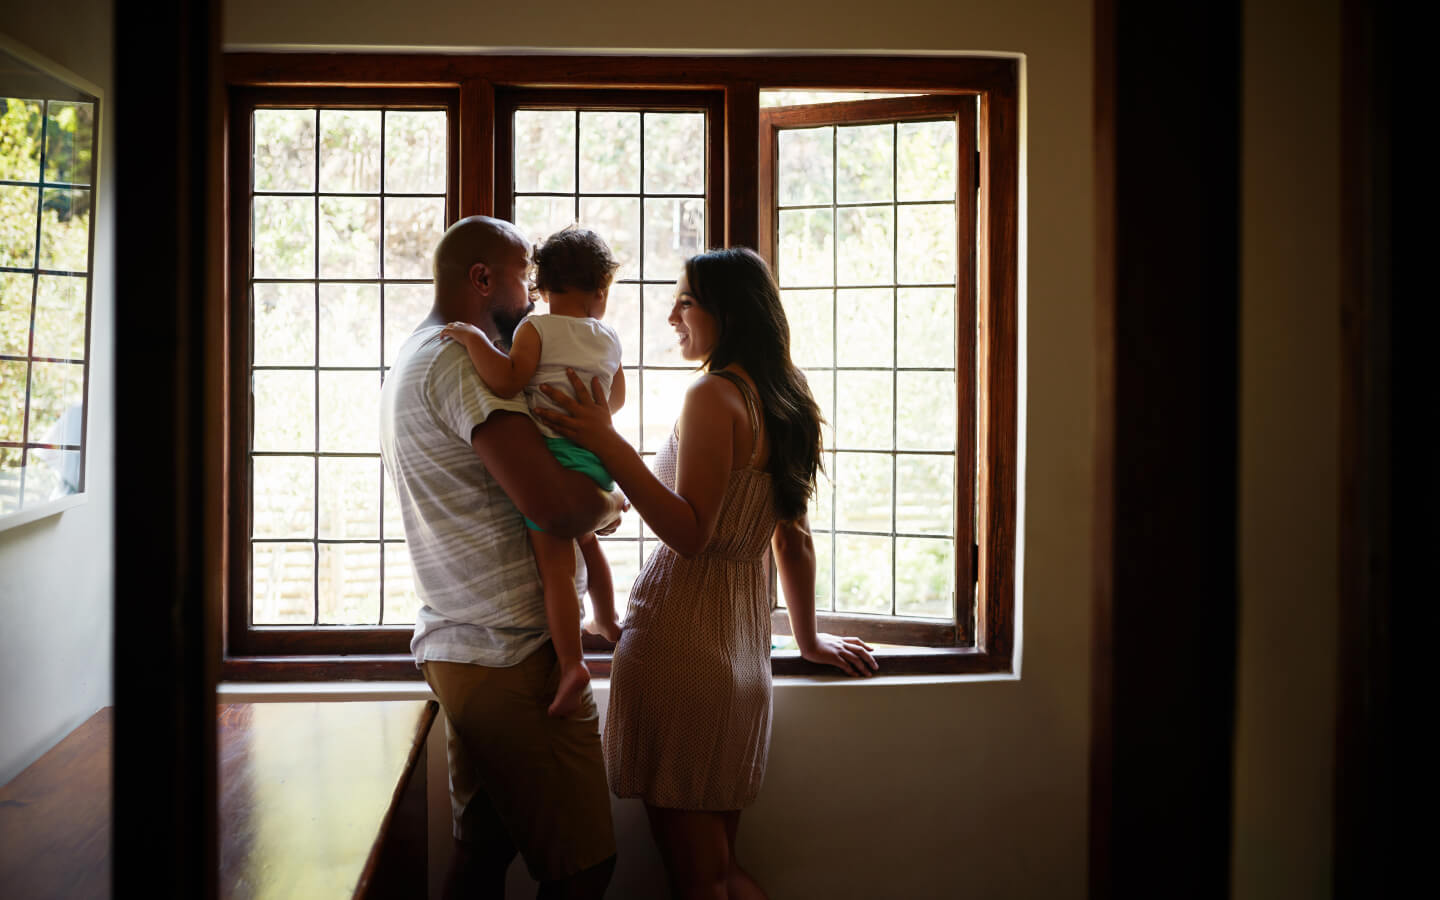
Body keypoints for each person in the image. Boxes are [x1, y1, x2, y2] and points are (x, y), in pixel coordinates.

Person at [536, 247, 880, 899]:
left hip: (682, 647)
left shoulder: (712, 395)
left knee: (699, 881)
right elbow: (794, 539)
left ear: (727, 311)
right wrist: (805, 641)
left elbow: (690, 534)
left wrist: (606, 441)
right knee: (716, 869)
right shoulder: (786, 397)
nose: (670, 315)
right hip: (743, 654)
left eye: (685, 301)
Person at [378, 215, 624, 899]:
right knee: (585, 866)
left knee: (483, 851)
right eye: (526, 274)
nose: (537, 292)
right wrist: (611, 503)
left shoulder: (415, 354)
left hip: (466, 647)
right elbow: (556, 507)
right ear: (483, 278)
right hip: (512, 656)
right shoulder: (463, 359)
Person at [440, 225, 625, 718]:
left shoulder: (535, 329)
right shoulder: (609, 337)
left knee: (557, 571)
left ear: (540, 289)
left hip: (557, 458)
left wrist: (474, 339)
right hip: (596, 459)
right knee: (588, 541)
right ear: (601, 291)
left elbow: (505, 380)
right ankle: (607, 619)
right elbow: (616, 398)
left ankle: (572, 664)